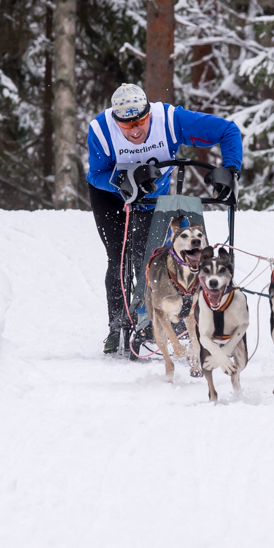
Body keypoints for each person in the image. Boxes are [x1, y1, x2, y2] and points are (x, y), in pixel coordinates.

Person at [86, 83, 243, 354]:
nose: (135, 130)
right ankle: (118, 323)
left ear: (149, 114)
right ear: (115, 121)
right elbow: (96, 173)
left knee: (147, 256)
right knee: (119, 256)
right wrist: (122, 182)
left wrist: (230, 169)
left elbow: (228, 131)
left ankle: (158, 316)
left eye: (141, 122)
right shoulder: (100, 130)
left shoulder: (170, 120)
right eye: (127, 126)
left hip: (152, 197)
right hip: (111, 194)